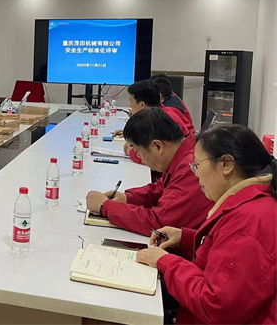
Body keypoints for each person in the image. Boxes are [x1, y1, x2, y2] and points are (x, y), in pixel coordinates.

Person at [137, 124, 276, 324]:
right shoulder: (251, 204)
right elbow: (228, 251)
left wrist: (165, 261)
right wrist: (186, 237)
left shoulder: (249, 223)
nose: (196, 174)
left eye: (197, 165)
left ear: (226, 164)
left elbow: (215, 305)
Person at [86, 108, 213, 236]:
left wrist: (106, 207)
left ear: (157, 146)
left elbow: (159, 224)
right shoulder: (179, 156)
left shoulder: (190, 168)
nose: (139, 157)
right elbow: (161, 189)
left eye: (138, 151)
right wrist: (128, 198)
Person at [113, 80, 191, 165]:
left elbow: (155, 158)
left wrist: (131, 151)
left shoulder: (160, 119)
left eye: (131, 102)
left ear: (142, 105)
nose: (130, 106)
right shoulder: (161, 112)